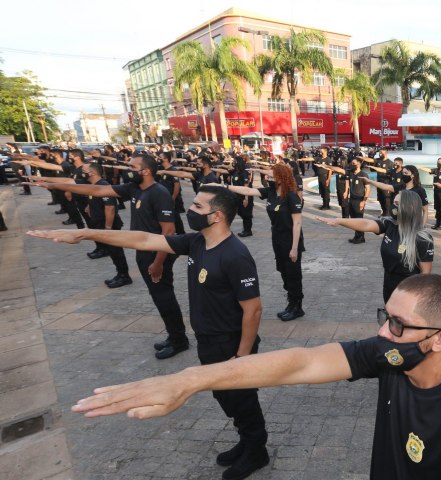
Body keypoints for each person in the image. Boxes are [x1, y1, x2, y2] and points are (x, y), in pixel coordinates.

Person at [67, 274, 441, 480]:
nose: (381, 332)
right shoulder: (392, 356)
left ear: (437, 340)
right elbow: (301, 362)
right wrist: (190, 379)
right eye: (384, 316)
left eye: (396, 324)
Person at [28, 185, 270, 480]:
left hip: (230, 344)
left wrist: (242, 357)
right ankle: (247, 440)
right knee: (224, 396)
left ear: (216, 216)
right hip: (207, 339)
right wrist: (86, 233)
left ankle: (257, 450)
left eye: (197, 206)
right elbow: (143, 238)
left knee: (241, 398)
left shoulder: (235, 254)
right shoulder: (196, 242)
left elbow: (253, 309)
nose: (189, 210)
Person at [27, 153, 189, 360]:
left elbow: (168, 232)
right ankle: (174, 334)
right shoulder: (134, 189)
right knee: (158, 296)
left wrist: (158, 262)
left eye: (132, 167)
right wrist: (58, 186)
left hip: (157, 254)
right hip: (143, 251)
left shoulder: (159, 193)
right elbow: (97, 189)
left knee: (163, 296)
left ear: (146, 171)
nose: (127, 170)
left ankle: (179, 341)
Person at [317, 189, 434, 302]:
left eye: (397, 204)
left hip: (409, 290)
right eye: (394, 203)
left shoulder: (423, 239)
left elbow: (425, 275)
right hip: (389, 284)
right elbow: (366, 224)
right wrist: (339, 221)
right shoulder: (390, 224)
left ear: (409, 208)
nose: (393, 207)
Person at [226, 163, 305, 321]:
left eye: (271, 176)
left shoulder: (291, 196)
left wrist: (294, 248)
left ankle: (297, 307)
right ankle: (291, 303)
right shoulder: (270, 192)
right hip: (277, 239)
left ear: (281, 178)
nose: (268, 178)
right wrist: (225, 186)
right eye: (268, 176)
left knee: (293, 275)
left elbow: (297, 223)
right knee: (283, 272)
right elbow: (248, 190)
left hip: (291, 241)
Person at [81, 162, 132, 288]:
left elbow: (110, 208)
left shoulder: (103, 185)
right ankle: (120, 274)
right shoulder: (94, 185)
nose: (82, 172)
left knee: (116, 252)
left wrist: (108, 229)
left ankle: (124, 276)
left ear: (92, 172)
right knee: (112, 252)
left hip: (110, 226)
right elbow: (95, 199)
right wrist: (89, 206)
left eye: (84, 169)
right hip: (100, 224)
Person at [345, 156, 370, 244]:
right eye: (352, 163)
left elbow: (368, 188)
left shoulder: (363, 175)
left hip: (359, 200)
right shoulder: (351, 173)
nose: (352, 165)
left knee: (359, 219)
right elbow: (347, 183)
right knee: (354, 219)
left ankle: (361, 237)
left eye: (354, 163)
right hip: (351, 199)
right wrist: (346, 192)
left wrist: (364, 201)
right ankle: (357, 235)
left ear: (359, 164)